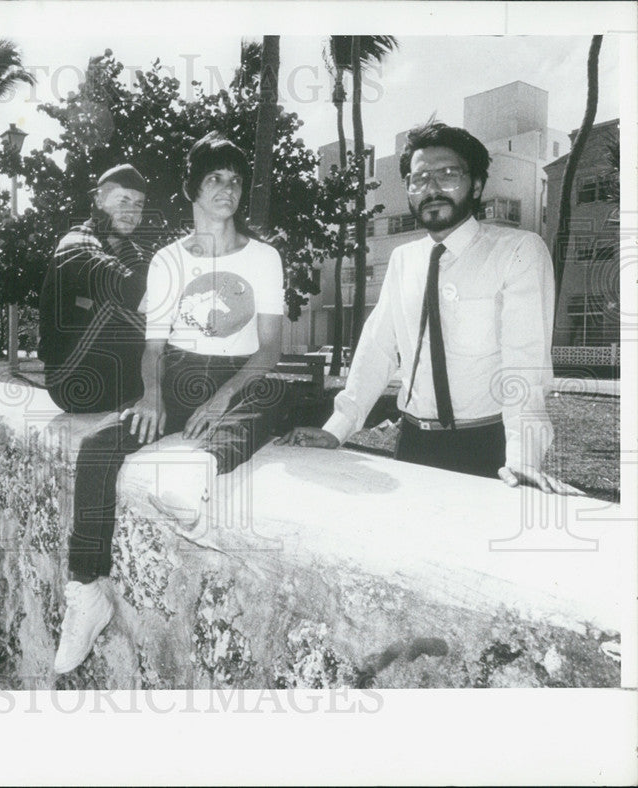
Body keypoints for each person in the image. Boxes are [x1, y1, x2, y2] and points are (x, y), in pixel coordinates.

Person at [53, 133, 285, 673]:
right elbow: (153, 348)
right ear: (193, 190)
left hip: (241, 373)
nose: (226, 189)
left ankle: (196, 468)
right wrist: (154, 395)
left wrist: (224, 394)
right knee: (98, 448)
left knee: (271, 398)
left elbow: (271, 349)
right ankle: (86, 591)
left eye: (233, 179)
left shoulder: (264, 257)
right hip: (178, 373)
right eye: (214, 179)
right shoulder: (166, 259)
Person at [278, 120, 577, 495]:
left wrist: (522, 458)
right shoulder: (404, 259)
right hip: (413, 444)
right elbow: (377, 348)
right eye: (419, 179)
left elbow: (524, 364)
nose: (432, 188)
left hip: (487, 447)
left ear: (477, 185)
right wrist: (336, 428)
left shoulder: (517, 251)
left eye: (448, 174)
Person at [38, 164, 150, 413]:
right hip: (73, 382)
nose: (131, 211)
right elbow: (138, 295)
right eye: (123, 200)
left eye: (139, 204)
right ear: (99, 200)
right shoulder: (75, 244)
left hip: (125, 379)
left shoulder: (137, 255)